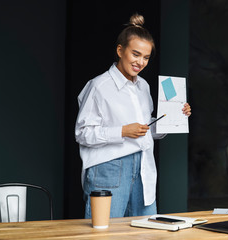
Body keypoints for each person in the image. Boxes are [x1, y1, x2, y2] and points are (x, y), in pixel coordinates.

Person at [75, 13, 191, 218]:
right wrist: (122, 131)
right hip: (108, 168)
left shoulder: (143, 87)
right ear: (120, 50)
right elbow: (82, 133)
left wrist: (174, 116)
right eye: (135, 54)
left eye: (146, 57)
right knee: (105, 234)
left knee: (145, 231)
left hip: (144, 168)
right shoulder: (98, 86)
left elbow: (146, 130)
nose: (140, 62)